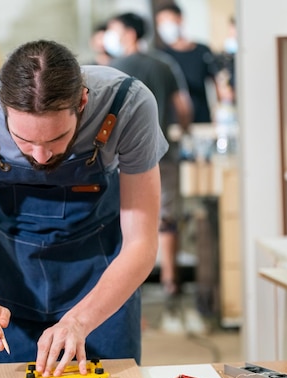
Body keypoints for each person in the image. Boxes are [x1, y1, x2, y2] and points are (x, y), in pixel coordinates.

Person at [0, 39, 167, 376]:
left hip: (102, 284)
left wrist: (80, 320)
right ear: (3, 109)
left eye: (56, 139)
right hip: (7, 284)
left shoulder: (128, 105)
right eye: (25, 140)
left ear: (82, 102)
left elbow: (141, 243)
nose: (41, 156)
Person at [102, 12, 192, 303]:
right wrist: (181, 131)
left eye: (113, 30)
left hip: (121, 159)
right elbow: (184, 107)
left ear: (128, 33)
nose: (109, 35)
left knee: (127, 220)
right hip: (162, 153)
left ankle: (129, 286)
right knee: (166, 215)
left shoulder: (114, 68)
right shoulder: (163, 65)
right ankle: (170, 280)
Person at [155, 3, 220, 123]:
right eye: (160, 23)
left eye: (167, 20)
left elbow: (217, 84)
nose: (164, 26)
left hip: (202, 120)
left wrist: (219, 112)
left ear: (179, 19)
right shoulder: (160, 56)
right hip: (173, 123)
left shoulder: (202, 51)